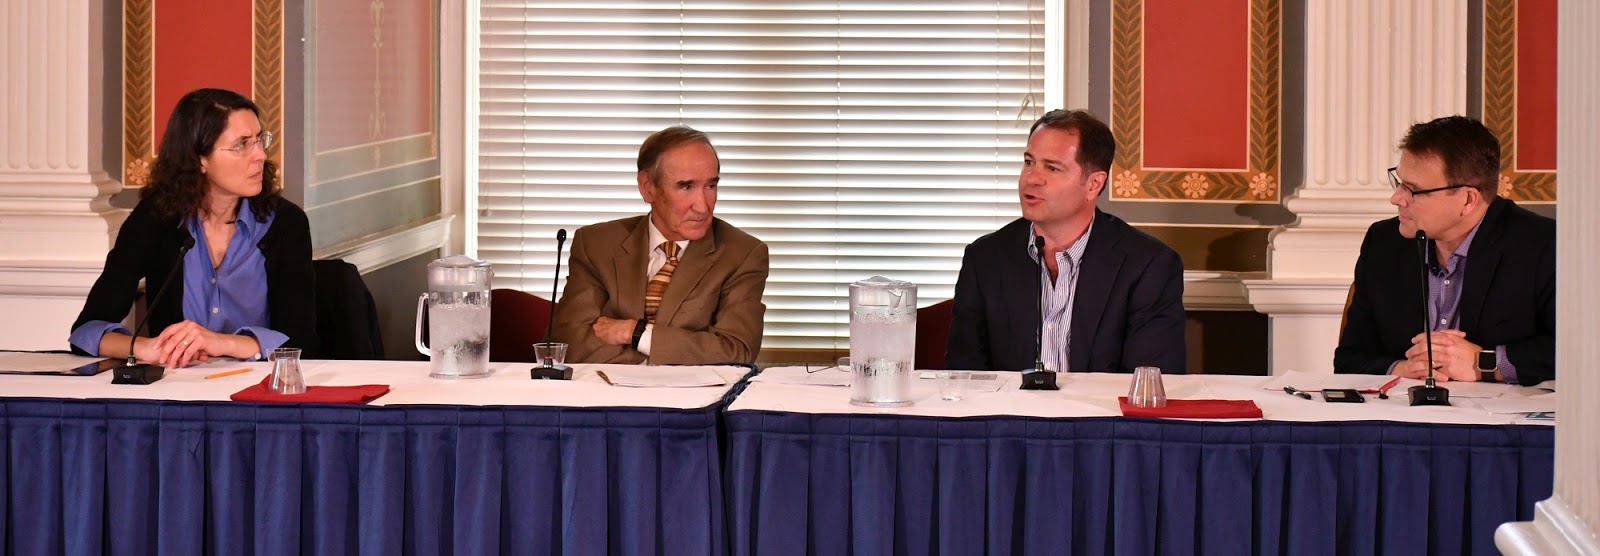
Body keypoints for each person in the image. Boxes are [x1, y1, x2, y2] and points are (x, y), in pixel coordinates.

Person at [69, 88, 319, 367]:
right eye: (242, 144)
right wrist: (145, 348)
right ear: (199, 159)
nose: (260, 155)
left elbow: (300, 342)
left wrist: (220, 342)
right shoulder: (156, 219)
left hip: (259, 391)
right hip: (179, 389)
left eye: (260, 140)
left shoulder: (285, 224)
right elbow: (86, 331)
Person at [946, 109, 1186, 373]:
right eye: (1029, 162)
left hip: (1100, 414)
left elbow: (1148, 385)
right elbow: (964, 376)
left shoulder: (1147, 265)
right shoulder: (985, 258)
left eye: (1052, 167)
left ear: (1094, 184)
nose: (1031, 178)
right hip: (1009, 412)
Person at [1335, 115, 1554, 385]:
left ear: (1468, 199)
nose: (1396, 198)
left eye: (1412, 190)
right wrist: (1402, 369)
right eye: (1399, 182)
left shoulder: (1544, 246)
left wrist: (1485, 363)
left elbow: (1577, 350)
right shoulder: (1383, 242)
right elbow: (1349, 358)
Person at [552, 125, 769, 364]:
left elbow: (735, 350)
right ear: (648, 188)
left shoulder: (743, 254)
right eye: (686, 187)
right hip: (606, 395)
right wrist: (667, 358)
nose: (703, 206)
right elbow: (570, 345)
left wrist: (636, 333)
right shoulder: (596, 244)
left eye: (711, 185)